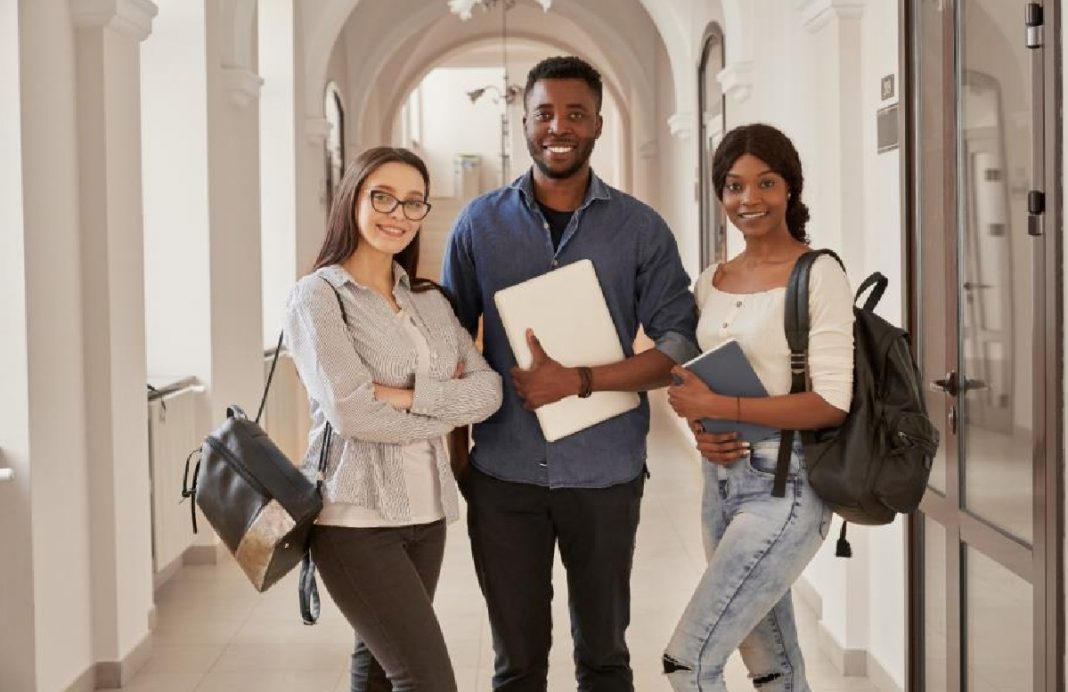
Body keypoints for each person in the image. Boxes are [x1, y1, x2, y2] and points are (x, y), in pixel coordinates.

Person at [442, 56, 698, 691]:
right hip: (502, 472)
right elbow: (448, 345)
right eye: (545, 113)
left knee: (605, 658)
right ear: (524, 121)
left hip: (606, 473)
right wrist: (458, 456)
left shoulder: (641, 229)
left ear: (598, 124)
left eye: (575, 114)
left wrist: (579, 381)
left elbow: (677, 345)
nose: (559, 126)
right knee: (517, 665)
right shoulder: (478, 224)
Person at [283, 146, 503, 692]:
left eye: (412, 203)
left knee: (379, 670)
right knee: (426, 679)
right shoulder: (317, 297)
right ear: (352, 198)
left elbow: (489, 392)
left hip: (425, 512)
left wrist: (404, 395)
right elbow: (352, 412)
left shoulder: (428, 300)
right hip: (354, 517)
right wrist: (438, 402)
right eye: (382, 197)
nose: (397, 214)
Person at [661, 123, 854, 691]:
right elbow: (692, 381)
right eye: (734, 186)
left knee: (688, 661)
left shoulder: (818, 273)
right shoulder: (710, 282)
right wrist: (701, 425)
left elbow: (830, 404)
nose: (749, 200)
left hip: (787, 490)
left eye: (765, 183)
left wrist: (718, 403)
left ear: (789, 189)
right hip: (719, 486)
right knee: (772, 667)